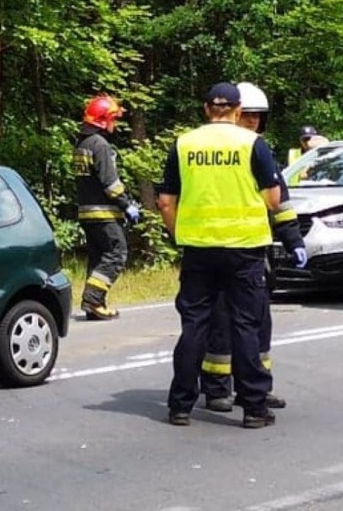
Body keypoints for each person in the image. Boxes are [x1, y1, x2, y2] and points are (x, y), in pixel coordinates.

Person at [157, 82, 281, 428]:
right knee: (245, 324)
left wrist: (179, 233)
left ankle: (180, 404)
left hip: (198, 247)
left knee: (194, 323)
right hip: (245, 247)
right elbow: (273, 200)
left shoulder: (184, 144)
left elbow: (166, 201)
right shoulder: (253, 144)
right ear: (238, 111)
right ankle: (254, 408)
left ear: (206, 108)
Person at [201, 81, 306, 412]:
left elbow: (280, 203)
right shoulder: (209, 150)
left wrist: (294, 241)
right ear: (233, 113)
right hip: (214, 247)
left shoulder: (259, 150)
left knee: (258, 321)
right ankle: (217, 387)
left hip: (251, 248)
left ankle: (258, 387)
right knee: (220, 320)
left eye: (257, 118)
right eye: (247, 116)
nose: (251, 123)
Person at [72, 94, 139, 321]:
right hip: (104, 212)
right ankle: (92, 299)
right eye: (113, 118)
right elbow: (111, 184)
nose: (115, 123)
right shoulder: (99, 145)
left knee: (98, 256)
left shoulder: (81, 143)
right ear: (103, 119)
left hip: (86, 212)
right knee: (116, 253)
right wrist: (127, 205)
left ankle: (95, 304)